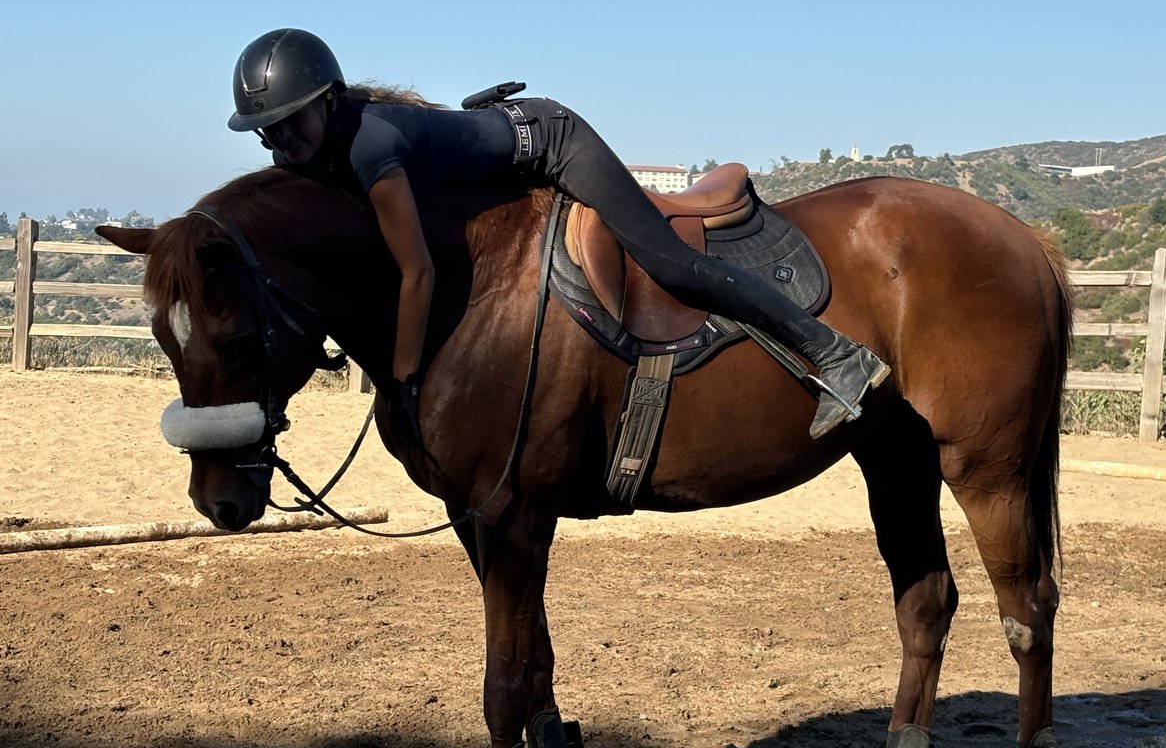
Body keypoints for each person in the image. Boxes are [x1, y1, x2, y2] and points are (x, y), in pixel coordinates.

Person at [227, 28, 889, 441]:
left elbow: (418, 273)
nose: (282, 143)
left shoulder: (369, 148)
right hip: (503, 137)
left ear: (329, 102)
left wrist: (400, 379)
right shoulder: (330, 149)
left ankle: (836, 355)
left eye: (292, 124)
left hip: (553, 141)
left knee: (671, 266)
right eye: (270, 132)